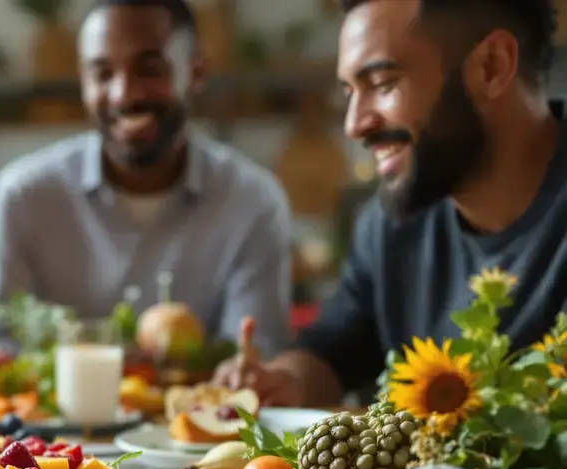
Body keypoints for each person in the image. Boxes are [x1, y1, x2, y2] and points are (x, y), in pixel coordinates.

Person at [214, 0, 567, 406]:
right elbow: (333, 351)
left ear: (492, 66)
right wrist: (281, 378)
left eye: (382, 84)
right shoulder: (391, 222)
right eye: (350, 92)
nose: (354, 125)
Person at [0, 0, 293, 357]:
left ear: (196, 73)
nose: (124, 94)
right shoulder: (22, 196)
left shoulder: (252, 202)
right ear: (83, 82)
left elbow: (253, 356)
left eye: (150, 70)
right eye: (102, 74)